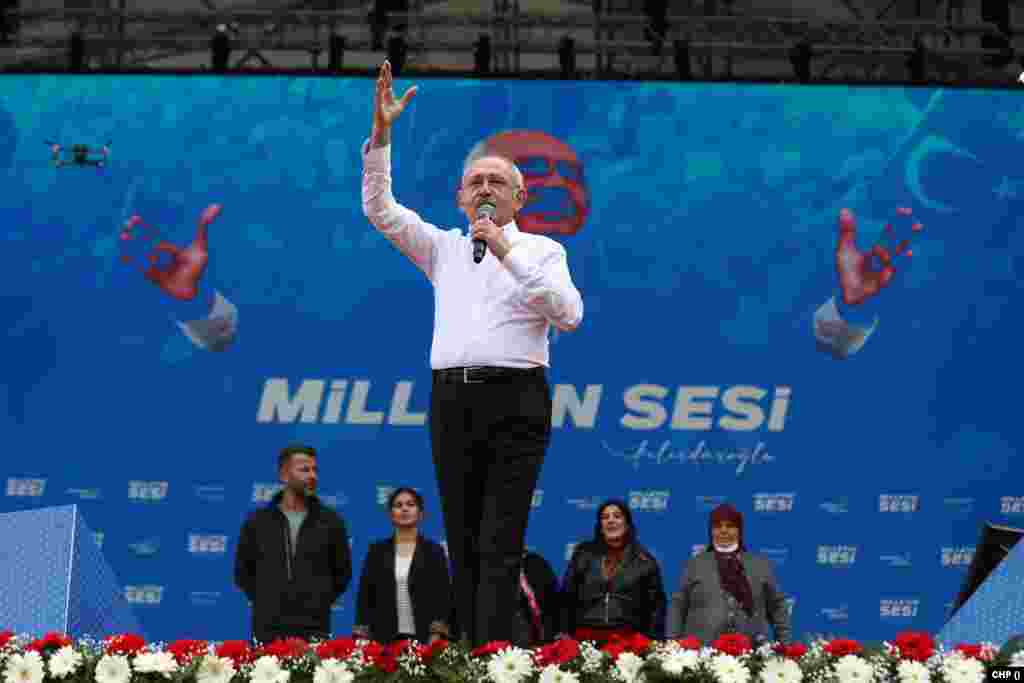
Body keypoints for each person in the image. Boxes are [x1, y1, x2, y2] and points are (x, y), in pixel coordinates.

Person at [361, 60, 584, 647]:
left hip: (518, 398)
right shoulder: (441, 249)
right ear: (460, 197)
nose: (484, 189)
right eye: (475, 182)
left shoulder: (541, 250)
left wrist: (505, 250)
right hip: (452, 397)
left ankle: (494, 652)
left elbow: (569, 315)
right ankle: (470, 650)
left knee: (501, 534)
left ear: (520, 195)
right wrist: (382, 136)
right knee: (462, 534)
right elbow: (381, 211)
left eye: (497, 182)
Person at [234, 444, 352, 644]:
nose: (312, 475)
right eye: (304, 470)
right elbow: (242, 573)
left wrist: (317, 600)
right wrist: (268, 600)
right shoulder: (257, 522)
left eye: (315, 470)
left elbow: (342, 574)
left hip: (316, 627)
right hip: (267, 628)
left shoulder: (332, 522)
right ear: (284, 474)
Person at [666, 503, 792, 644]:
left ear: (739, 530)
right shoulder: (694, 565)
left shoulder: (760, 565)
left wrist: (784, 645)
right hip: (702, 656)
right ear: (711, 530)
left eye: (730, 526)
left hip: (750, 654)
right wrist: (672, 644)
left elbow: (777, 606)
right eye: (718, 526)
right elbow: (677, 606)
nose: (723, 530)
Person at [353, 487, 453, 644]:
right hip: (384, 640)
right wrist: (362, 637)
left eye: (410, 504)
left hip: (425, 639)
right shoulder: (377, 551)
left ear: (420, 513)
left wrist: (437, 634)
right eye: (398, 505)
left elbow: (443, 596)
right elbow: (365, 596)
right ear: (390, 515)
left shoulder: (434, 550)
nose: (404, 509)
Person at [558, 499, 666, 642]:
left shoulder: (644, 561)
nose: (611, 521)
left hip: (627, 639)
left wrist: (651, 641)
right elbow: (567, 596)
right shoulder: (583, 554)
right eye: (605, 517)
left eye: (617, 516)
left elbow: (656, 608)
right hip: (584, 637)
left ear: (627, 524)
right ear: (600, 526)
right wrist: (564, 631)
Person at [519, 548, 560, 646]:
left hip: (545, 623)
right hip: (522, 628)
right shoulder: (499, 567)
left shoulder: (536, 562)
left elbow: (552, 591)